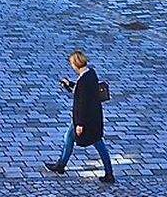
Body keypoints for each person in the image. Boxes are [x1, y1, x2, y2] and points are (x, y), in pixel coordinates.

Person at [46, 50, 115, 184]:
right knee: (69, 138)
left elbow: (82, 104)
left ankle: (109, 174)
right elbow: (81, 91)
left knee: (98, 144)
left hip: (85, 120)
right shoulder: (90, 73)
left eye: (72, 64)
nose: (71, 66)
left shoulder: (83, 80)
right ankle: (61, 165)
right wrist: (69, 84)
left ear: (76, 64)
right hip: (91, 117)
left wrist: (80, 124)